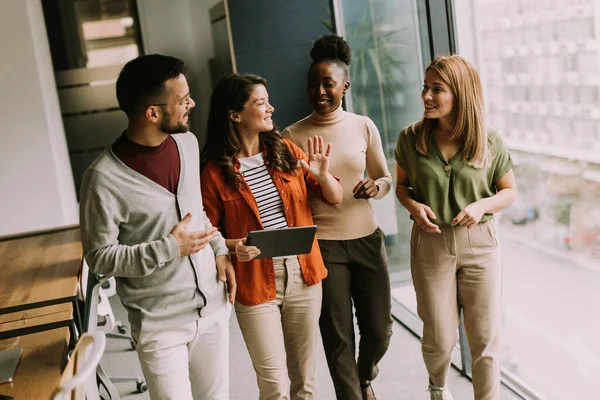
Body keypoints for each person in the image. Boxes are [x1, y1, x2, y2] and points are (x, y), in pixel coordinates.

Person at [79, 54, 236, 400]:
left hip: (212, 309)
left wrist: (220, 250)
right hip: (159, 326)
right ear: (152, 113)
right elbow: (100, 258)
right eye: (182, 100)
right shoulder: (102, 178)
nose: (191, 103)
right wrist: (170, 248)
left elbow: (199, 216)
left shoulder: (187, 144)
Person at [200, 73, 342, 400]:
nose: (270, 108)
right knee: (274, 385)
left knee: (304, 381)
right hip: (254, 281)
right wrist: (235, 247)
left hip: (304, 274)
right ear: (235, 115)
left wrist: (322, 176)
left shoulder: (287, 151)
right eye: (261, 103)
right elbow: (209, 236)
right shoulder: (213, 173)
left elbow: (334, 197)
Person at [394, 55, 517, 400]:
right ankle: (437, 387)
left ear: (460, 93)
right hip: (431, 243)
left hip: (481, 243)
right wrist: (413, 205)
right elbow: (402, 188)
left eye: (437, 89)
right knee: (439, 335)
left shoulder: (489, 139)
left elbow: (509, 190)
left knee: (485, 337)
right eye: (425, 87)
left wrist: (481, 206)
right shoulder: (410, 139)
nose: (427, 96)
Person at [283, 34, 393, 400]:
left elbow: (385, 178)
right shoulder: (292, 135)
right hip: (323, 246)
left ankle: (365, 377)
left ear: (345, 85)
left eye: (328, 83)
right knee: (338, 336)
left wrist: (375, 188)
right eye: (312, 84)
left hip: (366, 239)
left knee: (380, 330)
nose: (319, 91)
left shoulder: (363, 125)